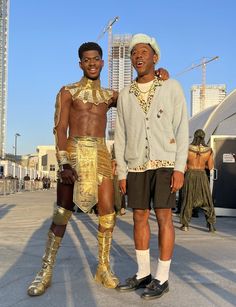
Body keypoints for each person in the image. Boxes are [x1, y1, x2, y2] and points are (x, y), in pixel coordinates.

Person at [27, 41, 168, 296]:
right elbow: (59, 128)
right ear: (80, 63)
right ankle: (45, 271)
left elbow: (138, 92)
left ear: (103, 62)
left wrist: (157, 76)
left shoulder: (112, 95)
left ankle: (103, 267)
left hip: (101, 153)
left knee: (108, 213)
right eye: (87, 60)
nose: (92, 63)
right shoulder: (67, 92)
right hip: (74, 153)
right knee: (61, 214)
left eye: (96, 59)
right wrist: (64, 162)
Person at [114, 33, 189, 300]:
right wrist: (122, 171)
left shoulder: (172, 87)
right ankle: (143, 272)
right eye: (134, 53)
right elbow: (120, 135)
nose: (138, 56)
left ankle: (162, 277)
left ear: (155, 58)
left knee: (165, 217)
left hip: (166, 163)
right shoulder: (124, 95)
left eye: (144, 51)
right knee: (139, 217)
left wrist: (180, 167)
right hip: (136, 165)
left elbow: (182, 129)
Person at [180, 129, 216, 232]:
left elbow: (184, 167)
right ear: (203, 137)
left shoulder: (188, 149)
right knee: (207, 200)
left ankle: (185, 225)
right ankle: (211, 225)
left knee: (188, 199)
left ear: (194, 136)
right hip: (202, 175)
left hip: (190, 174)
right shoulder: (209, 150)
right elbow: (210, 166)